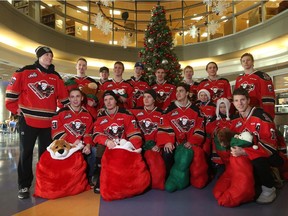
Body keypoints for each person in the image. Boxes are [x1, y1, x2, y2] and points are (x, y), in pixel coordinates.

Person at [5, 46, 69, 199]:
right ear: (39, 57)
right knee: (26, 153)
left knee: (46, 155)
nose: (49, 57)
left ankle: (44, 182)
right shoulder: (25, 71)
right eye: (45, 55)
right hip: (28, 121)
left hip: (48, 123)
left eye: (50, 55)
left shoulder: (56, 77)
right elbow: (11, 92)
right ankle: (24, 185)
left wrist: (60, 115)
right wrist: (15, 109)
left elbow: (64, 100)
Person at [230, 87, 283, 204]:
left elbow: (271, 145)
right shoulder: (235, 119)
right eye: (236, 100)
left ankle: (269, 188)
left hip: (268, 155)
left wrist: (246, 152)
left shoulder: (261, 115)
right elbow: (234, 139)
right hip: (248, 152)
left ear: (248, 100)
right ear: (233, 103)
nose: (240, 103)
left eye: (242, 100)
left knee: (258, 160)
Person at [92, 90, 142, 193]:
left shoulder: (126, 113)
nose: (108, 102)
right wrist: (106, 141)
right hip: (108, 146)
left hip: (123, 146)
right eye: (106, 100)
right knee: (101, 148)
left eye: (111, 99)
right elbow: (96, 134)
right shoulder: (101, 116)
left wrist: (131, 147)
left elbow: (134, 133)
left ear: (116, 101)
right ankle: (100, 177)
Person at [163, 83, 208, 190]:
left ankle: (190, 178)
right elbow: (164, 124)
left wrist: (192, 141)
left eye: (181, 91)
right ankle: (171, 177)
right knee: (167, 153)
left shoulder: (196, 110)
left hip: (190, 142)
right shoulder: (170, 108)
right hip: (175, 142)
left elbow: (199, 127)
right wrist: (169, 141)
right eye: (177, 91)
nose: (178, 93)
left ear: (187, 93)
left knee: (196, 155)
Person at [130, 89, 175, 185]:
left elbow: (164, 130)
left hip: (155, 145)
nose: (146, 99)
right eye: (144, 97)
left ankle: (167, 176)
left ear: (154, 100)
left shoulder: (161, 113)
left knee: (167, 152)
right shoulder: (135, 111)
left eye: (149, 97)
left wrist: (159, 145)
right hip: (139, 144)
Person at [51, 88, 94, 186]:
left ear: (82, 98)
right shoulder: (61, 112)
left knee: (93, 151)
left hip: (81, 145)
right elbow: (56, 133)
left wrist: (87, 145)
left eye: (78, 96)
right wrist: (72, 142)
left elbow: (88, 133)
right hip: (65, 145)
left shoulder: (87, 115)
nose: (75, 99)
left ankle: (88, 178)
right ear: (69, 99)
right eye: (72, 97)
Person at [235, 53, 276, 119]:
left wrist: (268, 115)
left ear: (253, 62)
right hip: (243, 113)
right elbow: (236, 97)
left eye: (248, 60)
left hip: (257, 112)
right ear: (241, 63)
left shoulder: (262, 76)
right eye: (243, 61)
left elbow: (268, 98)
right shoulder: (239, 79)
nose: (246, 62)